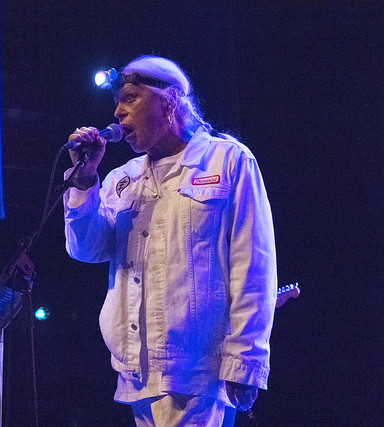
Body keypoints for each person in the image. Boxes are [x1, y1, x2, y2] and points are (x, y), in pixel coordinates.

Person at [63, 55, 277, 426]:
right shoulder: (123, 178)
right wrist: (83, 181)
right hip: (138, 375)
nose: (117, 112)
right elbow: (86, 249)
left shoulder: (227, 161)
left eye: (130, 98)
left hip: (199, 373)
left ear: (169, 101)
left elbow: (253, 266)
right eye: (117, 102)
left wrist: (245, 361)